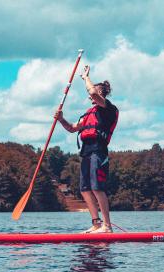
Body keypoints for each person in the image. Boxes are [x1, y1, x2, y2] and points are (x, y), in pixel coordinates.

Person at [55, 65, 118, 233]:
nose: (89, 97)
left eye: (94, 93)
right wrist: (61, 119)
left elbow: (92, 93)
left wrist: (85, 78)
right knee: (85, 189)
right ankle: (96, 223)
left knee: (97, 188)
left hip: (99, 152)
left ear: (101, 94)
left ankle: (107, 226)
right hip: (86, 153)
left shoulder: (108, 109)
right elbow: (72, 128)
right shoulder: (88, 113)